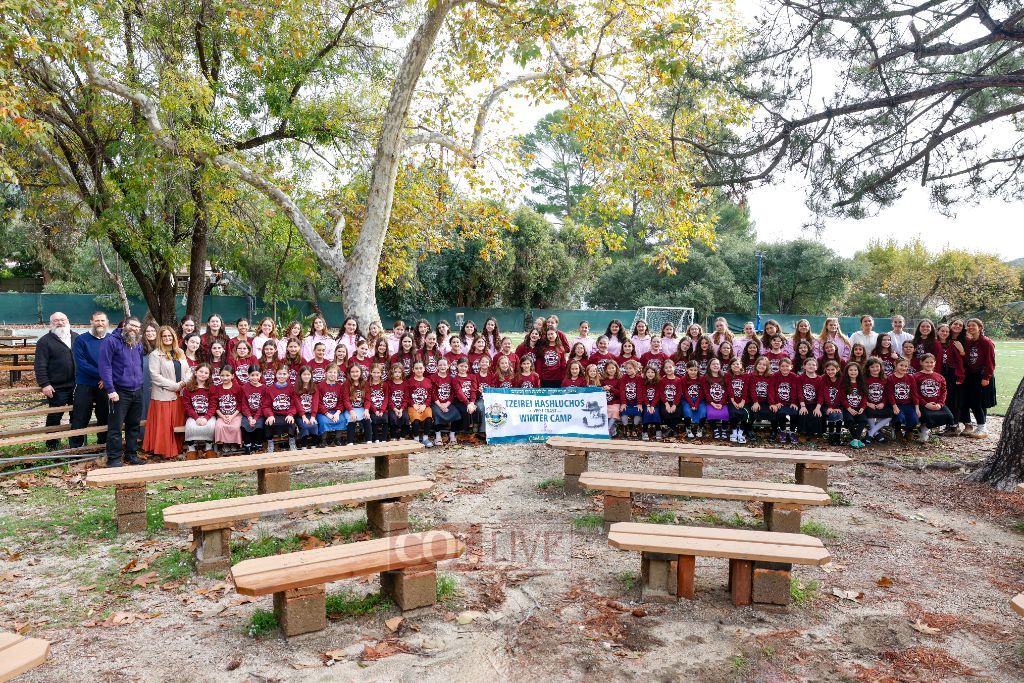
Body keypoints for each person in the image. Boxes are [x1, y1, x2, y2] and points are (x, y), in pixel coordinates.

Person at [100, 316, 146, 466]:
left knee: (133, 425)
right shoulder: (111, 341)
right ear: (125, 325)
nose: (135, 329)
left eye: (137, 327)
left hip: (137, 390)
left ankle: (131, 455)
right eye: (132, 325)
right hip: (119, 391)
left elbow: (139, 365)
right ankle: (114, 458)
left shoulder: (138, 343)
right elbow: (105, 366)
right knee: (116, 427)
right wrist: (110, 389)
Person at [142, 325, 190, 459]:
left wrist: (183, 383)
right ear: (160, 338)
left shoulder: (180, 352)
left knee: (176, 424)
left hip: (179, 394)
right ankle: (164, 451)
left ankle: (176, 449)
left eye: (170, 336)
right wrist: (175, 386)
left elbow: (188, 371)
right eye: (164, 336)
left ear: (174, 337)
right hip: (163, 395)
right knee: (165, 425)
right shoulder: (155, 354)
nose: (167, 338)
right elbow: (155, 376)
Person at [34, 311, 78, 450]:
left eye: (62, 320)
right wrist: (45, 384)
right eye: (56, 320)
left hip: (78, 385)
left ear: (68, 321)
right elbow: (40, 365)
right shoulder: (44, 341)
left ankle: (76, 445)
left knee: (77, 416)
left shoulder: (77, 338)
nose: (60, 322)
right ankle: (52, 446)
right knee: (55, 416)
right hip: (56, 387)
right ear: (51, 323)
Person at [70, 311, 109, 448]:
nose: (100, 323)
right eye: (97, 320)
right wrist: (104, 376)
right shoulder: (81, 340)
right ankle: (75, 449)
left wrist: (107, 379)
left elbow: (117, 361)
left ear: (107, 322)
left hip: (105, 386)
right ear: (91, 322)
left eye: (103, 320)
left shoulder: (111, 339)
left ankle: (102, 446)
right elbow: (82, 364)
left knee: (105, 417)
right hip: (85, 384)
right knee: (80, 417)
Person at [961, 318, 997, 438]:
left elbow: (991, 362)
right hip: (972, 375)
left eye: (973, 325)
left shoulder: (986, 342)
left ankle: (982, 428)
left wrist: (986, 377)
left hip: (982, 375)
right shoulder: (970, 342)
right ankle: (982, 427)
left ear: (980, 328)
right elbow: (969, 359)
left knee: (976, 402)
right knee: (978, 402)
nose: (970, 327)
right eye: (969, 325)